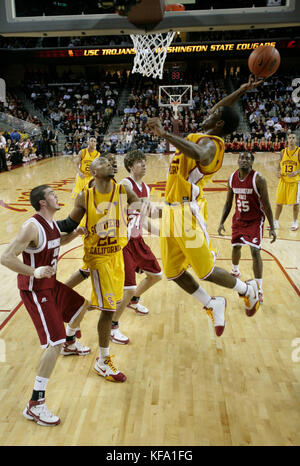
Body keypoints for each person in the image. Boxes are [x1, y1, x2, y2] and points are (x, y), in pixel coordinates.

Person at [146, 75, 264, 337]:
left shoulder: (212, 144)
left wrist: (166, 134)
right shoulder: (205, 132)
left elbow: (199, 155)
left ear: (219, 123)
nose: (208, 112)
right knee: (173, 272)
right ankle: (212, 303)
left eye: (213, 113)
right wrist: (241, 90)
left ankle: (247, 290)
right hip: (171, 209)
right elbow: (220, 110)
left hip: (186, 212)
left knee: (205, 271)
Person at [0, 185, 90, 427]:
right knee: (54, 342)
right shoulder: (31, 226)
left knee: (81, 306)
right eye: (51, 193)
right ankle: (35, 404)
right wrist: (34, 271)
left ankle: (70, 344)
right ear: (42, 202)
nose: (56, 195)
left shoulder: (51, 224)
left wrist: (75, 234)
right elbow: (5, 256)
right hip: (35, 289)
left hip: (50, 285)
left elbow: (55, 241)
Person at [57, 156, 148, 382]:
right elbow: (68, 224)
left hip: (117, 254)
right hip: (98, 259)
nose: (110, 164)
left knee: (98, 302)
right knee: (108, 310)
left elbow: (140, 207)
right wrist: (41, 225)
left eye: (111, 162)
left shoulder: (122, 190)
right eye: (105, 163)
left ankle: (68, 338)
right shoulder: (84, 196)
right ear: (93, 172)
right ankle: (102, 361)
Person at [110, 150, 162, 345]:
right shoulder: (125, 184)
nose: (144, 165)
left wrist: (162, 233)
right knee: (128, 287)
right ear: (131, 166)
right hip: (123, 242)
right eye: (140, 162)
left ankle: (134, 301)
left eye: (145, 162)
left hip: (137, 240)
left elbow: (145, 216)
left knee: (156, 275)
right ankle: (112, 327)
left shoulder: (146, 189)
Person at [217, 151, 276, 304]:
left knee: (255, 251)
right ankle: (235, 270)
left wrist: (272, 226)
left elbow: (268, 205)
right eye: (241, 158)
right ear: (237, 160)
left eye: (247, 159)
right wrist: (221, 221)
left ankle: (259, 289)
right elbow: (228, 203)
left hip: (255, 220)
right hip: (239, 219)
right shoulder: (232, 178)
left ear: (251, 162)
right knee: (236, 247)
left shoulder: (259, 179)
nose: (244, 160)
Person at [273, 132, 300, 231]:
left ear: (296, 140)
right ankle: (275, 222)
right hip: (283, 180)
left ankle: (295, 222)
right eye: (290, 138)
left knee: (295, 203)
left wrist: (297, 171)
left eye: (293, 138)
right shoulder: (283, 151)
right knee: (279, 202)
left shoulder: (299, 151)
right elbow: (280, 163)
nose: (291, 139)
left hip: (294, 181)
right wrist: (277, 171)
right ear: (287, 140)